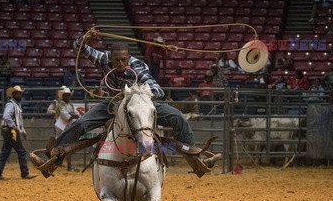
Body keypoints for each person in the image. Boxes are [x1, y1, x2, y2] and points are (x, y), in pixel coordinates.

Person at [32, 27, 204, 176]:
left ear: (129, 58)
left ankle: (193, 156)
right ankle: (54, 157)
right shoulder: (103, 58)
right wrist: (84, 38)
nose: (121, 63)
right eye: (117, 60)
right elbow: (79, 49)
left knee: (177, 117)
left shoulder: (138, 67)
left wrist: (139, 94)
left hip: (139, 104)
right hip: (112, 104)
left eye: (124, 60)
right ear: (111, 58)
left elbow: (157, 89)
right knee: (81, 124)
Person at [0, 85, 36, 180]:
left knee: (5, 153)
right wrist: (15, 127)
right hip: (10, 130)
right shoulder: (11, 104)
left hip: (8, 130)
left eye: (20, 93)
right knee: (21, 151)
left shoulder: (16, 105)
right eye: (17, 93)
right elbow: (6, 116)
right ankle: (25, 173)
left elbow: (18, 120)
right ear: (13, 94)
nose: (19, 94)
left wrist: (22, 130)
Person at [46, 86, 80, 172]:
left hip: (65, 126)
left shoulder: (68, 104)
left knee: (63, 145)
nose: (68, 97)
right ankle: (64, 164)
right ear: (63, 96)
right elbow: (67, 117)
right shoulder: (60, 104)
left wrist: (72, 115)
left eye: (68, 95)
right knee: (65, 145)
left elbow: (75, 115)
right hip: (61, 127)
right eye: (66, 95)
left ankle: (52, 159)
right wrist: (72, 115)